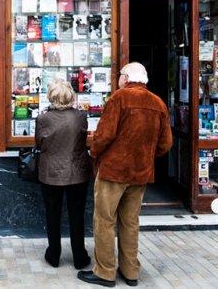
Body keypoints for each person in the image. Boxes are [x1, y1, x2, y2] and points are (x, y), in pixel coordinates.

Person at [78, 62, 172, 288]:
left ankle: (105, 272)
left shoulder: (119, 99)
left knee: (104, 221)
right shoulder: (158, 103)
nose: (118, 79)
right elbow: (166, 143)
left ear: (126, 78)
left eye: (119, 75)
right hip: (140, 173)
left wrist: (94, 152)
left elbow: (104, 135)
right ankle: (131, 272)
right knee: (130, 222)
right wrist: (146, 156)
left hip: (113, 171)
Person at [36, 80, 93, 270]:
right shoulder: (81, 116)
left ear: (51, 97)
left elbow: (39, 144)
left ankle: (53, 255)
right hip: (77, 171)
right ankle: (79, 256)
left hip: (51, 173)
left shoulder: (43, 119)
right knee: (77, 215)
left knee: (53, 214)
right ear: (70, 96)